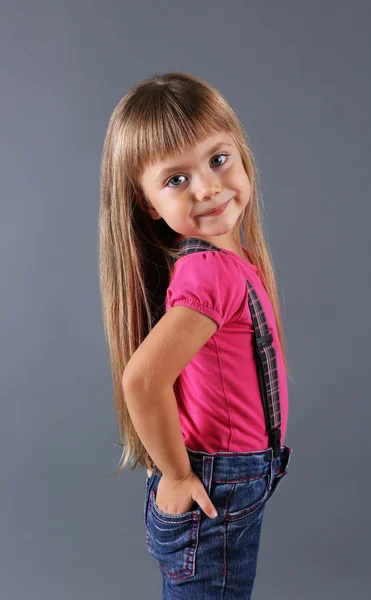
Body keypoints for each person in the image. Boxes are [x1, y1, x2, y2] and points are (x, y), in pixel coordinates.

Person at [99, 71, 293, 599]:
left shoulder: (228, 261)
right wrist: (180, 476)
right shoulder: (214, 271)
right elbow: (142, 381)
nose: (207, 187)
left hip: (232, 478)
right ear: (146, 203)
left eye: (217, 159)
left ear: (241, 151)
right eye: (175, 179)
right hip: (218, 483)